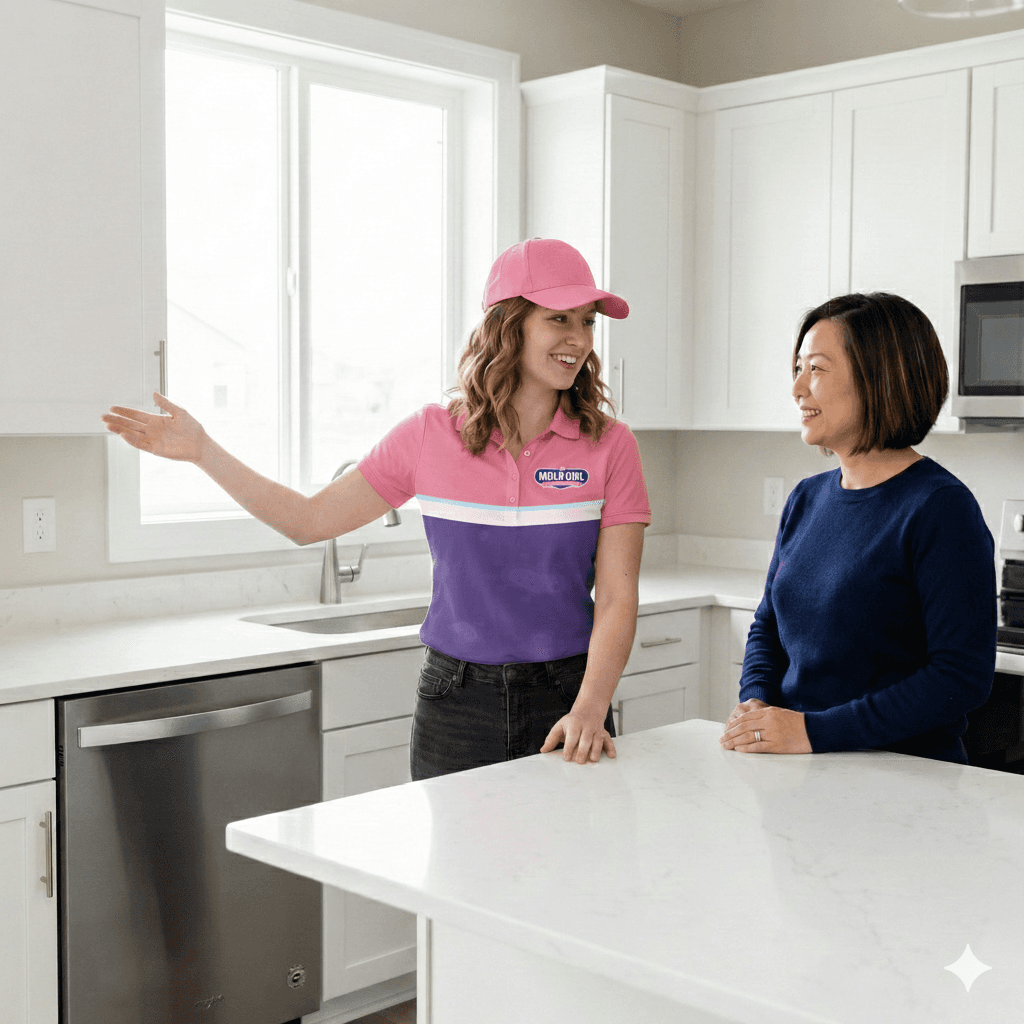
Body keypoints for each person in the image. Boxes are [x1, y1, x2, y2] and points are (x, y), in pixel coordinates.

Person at [103, 238, 651, 780]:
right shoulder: (430, 435)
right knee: (457, 845)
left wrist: (590, 707)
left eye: (588, 322)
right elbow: (308, 521)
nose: (579, 339)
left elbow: (617, 598)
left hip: (568, 699)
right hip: (456, 705)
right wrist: (204, 451)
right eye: (559, 319)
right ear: (509, 326)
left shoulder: (610, 446)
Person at [719, 292, 996, 764]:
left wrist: (814, 731)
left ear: (880, 380)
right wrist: (758, 700)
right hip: (802, 771)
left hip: (904, 780)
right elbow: (769, 624)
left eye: (816, 369)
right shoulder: (806, 498)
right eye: (798, 368)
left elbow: (960, 678)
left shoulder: (941, 508)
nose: (797, 388)